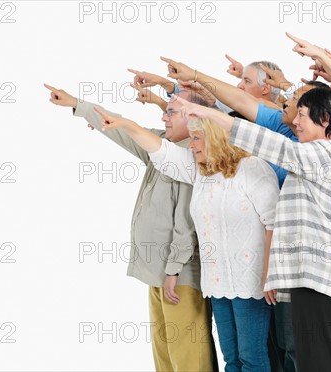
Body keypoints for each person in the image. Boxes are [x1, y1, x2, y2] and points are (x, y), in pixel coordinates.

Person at [161, 56, 331, 371]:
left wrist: (204, 112)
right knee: (325, 361)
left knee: (317, 363)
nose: (294, 121)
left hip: (321, 279)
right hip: (316, 280)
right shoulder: (323, 155)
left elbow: (272, 145)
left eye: (303, 116)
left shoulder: (324, 154)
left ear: (325, 119)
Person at [44, 83, 217, 371]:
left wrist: (173, 269)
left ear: (194, 116)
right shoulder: (164, 144)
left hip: (180, 276)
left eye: (171, 111)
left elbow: (188, 223)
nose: (164, 116)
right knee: (165, 356)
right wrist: (77, 104)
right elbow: (126, 130)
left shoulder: (192, 156)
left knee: (188, 357)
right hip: (159, 272)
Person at [96, 108, 279, 372]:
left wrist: (269, 275)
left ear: (215, 136)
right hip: (217, 284)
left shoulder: (253, 169)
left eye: (196, 138)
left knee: (252, 359)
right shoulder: (201, 171)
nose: (190, 145)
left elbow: (273, 223)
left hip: (251, 283)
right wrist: (127, 123)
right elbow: (162, 151)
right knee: (232, 360)